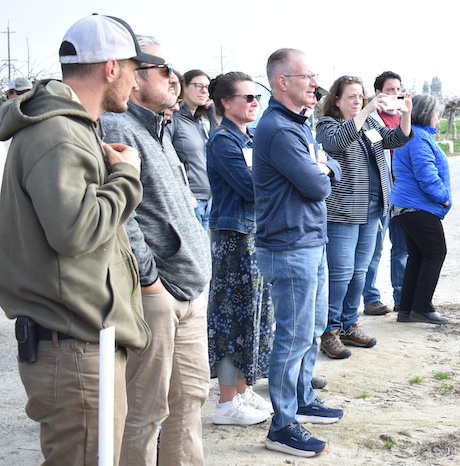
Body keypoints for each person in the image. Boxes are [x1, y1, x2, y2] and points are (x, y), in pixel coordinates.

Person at [0, 13, 152, 465]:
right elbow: (76, 231)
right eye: (132, 69)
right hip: (75, 350)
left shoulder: (73, 127)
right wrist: (127, 177)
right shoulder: (60, 133)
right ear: (110, 68)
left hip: (81, 344)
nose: (135, 81)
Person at [100, 34, 212, 465]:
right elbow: (122, 217)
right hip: (156, 295)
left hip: (188, 288)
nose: (175, 79)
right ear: (131, 76)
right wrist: (149, 282)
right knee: (144, 410)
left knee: (190, 400)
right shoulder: (116, 126)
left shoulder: (159, 127)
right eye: (164, 70)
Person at [254, 48, 344, 458]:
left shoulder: (299, 124)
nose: (314, 83)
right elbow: (319, 185)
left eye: (314, 75)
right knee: (291, 337)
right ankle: (283, 424)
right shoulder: (278, 128)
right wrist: (323, 167)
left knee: (311, 329)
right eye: (306, 76)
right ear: (282, 82)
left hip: (310, 240)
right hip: (290, 246)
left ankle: (303, 397)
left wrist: (323, 164)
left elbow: (329, 166)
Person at [315, 75, 411, 358]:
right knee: (340, 273)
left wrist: (406, 115)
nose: (358, 101)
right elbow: (337, 143)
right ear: (337, 100)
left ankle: (348, 324)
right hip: (344, 211)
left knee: (359, 272)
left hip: (373, 208)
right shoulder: (328, 125)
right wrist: (368, 110)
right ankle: (329, 331)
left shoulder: (371, 123)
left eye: (361, 96)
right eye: (352, 97)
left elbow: (396, 139)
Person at [205, 71, 275, 426]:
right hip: (234, 237)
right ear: (226, 103)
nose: (255, 103)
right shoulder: (222, 141)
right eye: (247, 98)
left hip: (252, 233)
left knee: (254, 316)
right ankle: (226, 401)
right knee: (232, 319)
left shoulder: (247, 138)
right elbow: (251, 188)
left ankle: (244, 389)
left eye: (256, 98)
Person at [390, 93, 452, 324]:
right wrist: (443, 198)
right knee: (436, 252)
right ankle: (422, 307)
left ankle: (406, 309)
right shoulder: (418, 138)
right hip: (417, 205)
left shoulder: (415, 134)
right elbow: (426, 175)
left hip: (408, 206)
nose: (438, 118)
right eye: (437, 114)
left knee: (417, 256)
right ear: (427, 114)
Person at [363, 71, 411, 316]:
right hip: (380, 193)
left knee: (402, 249)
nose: (395, 94)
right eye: (390, 90)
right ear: (378, 93)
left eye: (398, 89)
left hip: (403, 195)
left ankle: (402, 298)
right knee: (373, 249)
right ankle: (370, 298)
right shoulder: (369, 120)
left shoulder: (405, 119)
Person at [173, 69, 219, 230]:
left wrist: (212, 112)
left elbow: (217, 145)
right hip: (190, 200)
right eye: (198, 85)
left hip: (208, 200)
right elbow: (168, 160)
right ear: (183, 87)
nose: (204, 91)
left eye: (207, 87)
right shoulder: (174, 120)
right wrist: (185, 194)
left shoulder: (199, 122)